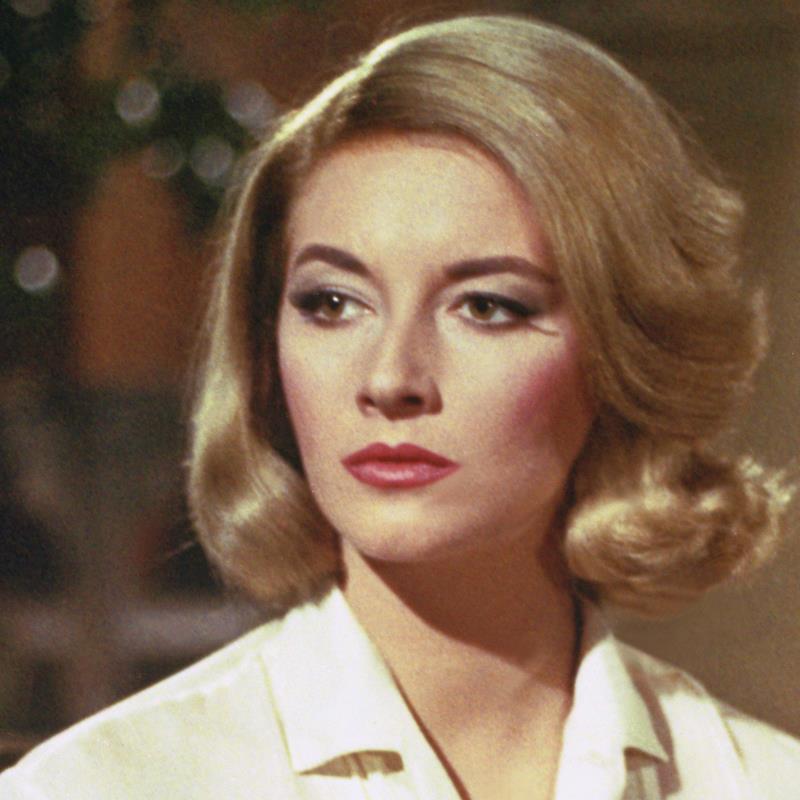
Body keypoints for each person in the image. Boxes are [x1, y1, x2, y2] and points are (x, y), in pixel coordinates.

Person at [2, 13, 799, 799]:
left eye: (485, 306)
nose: (390, 378)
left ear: (626, 354)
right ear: (266, 349)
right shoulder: (102, 787)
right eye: (333, 303)